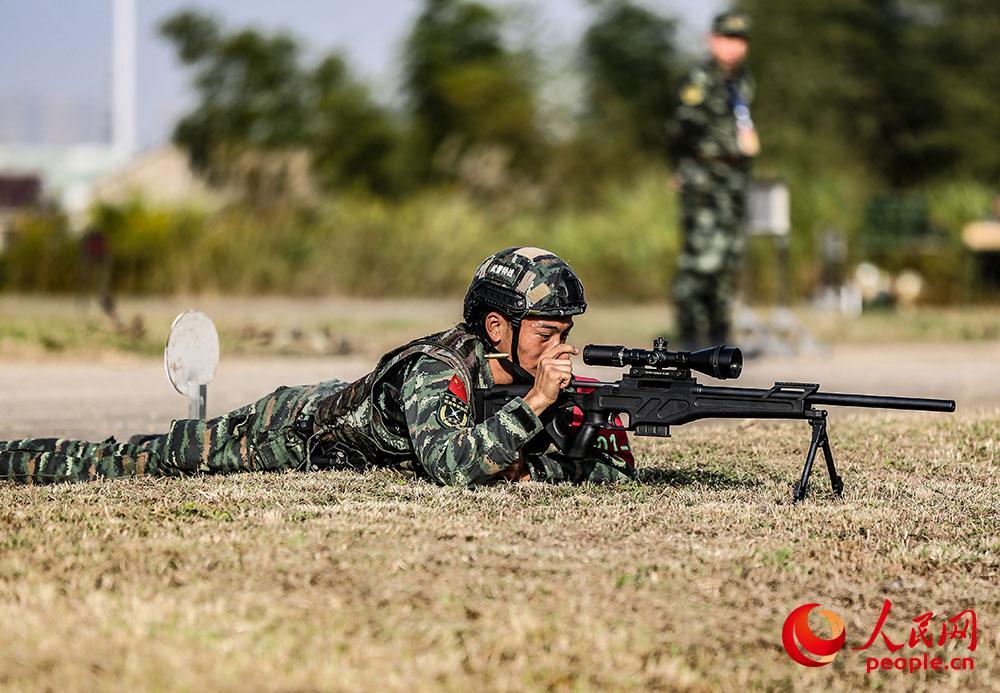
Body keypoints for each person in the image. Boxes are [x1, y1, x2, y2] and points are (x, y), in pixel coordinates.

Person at [0, 247, 634, 487]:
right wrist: (538, 407)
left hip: (323, 426)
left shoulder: (521, 381)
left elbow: (600, 476)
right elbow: (453, 468)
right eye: (549, 332)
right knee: (124, 462)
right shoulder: (439, 370)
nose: (561, 348)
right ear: (499, 327)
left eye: (566, 334)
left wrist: (585, 447)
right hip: (287, 432)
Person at [668, 10, 758, 348]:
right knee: (700, 258)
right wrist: (679, 169)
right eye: (727, 39)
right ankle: (690, 335)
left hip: (734, 179)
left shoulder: (743, 80)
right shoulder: (699, 79)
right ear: (712, 40)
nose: (734, 47)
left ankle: (720, 335)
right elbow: (679, 130)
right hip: (704, 177)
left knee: (729, 257)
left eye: (740, 40)